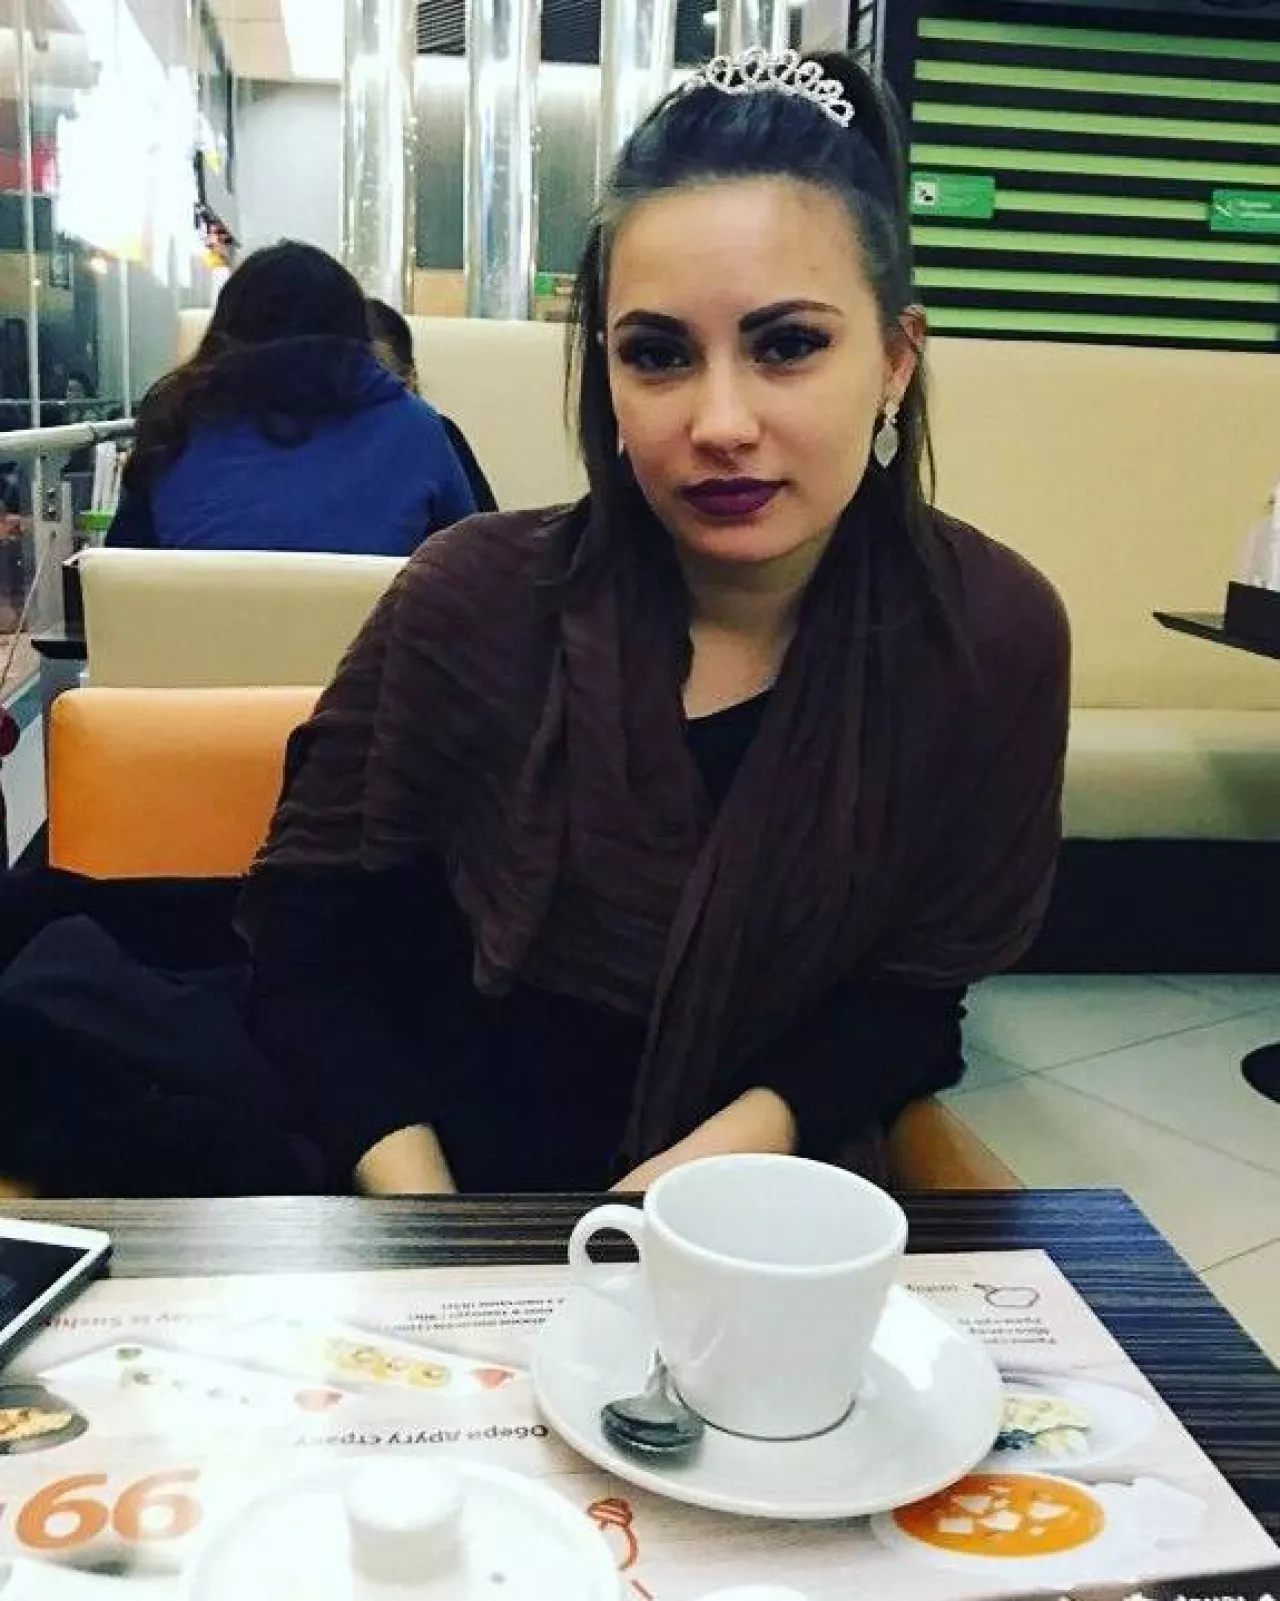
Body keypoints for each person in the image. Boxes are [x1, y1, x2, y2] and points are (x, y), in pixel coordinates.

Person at [241, 51, 1070, 1197]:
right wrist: (434, 1230)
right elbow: (306, 956)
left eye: (786, 344)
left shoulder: (987, 641)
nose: (718, 421)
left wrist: (681, 1190)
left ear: (893, 359)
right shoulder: (467, 600)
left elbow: (906, 1004)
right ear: (608, 374)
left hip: (761, 1213)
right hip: (427, 1193)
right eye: (658, 354)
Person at [106, 242, 476, 555]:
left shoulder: (176, 428)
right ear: (359, 332)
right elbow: (481, 577)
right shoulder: (418, 430)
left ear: (224, 329)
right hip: (372, 623)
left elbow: (117, 585)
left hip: (200, 622)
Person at [366, 298, 497, 513]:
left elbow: (484, 527)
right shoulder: (316, 437)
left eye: (376, 370)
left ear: (410, 379)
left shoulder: (437, 434)